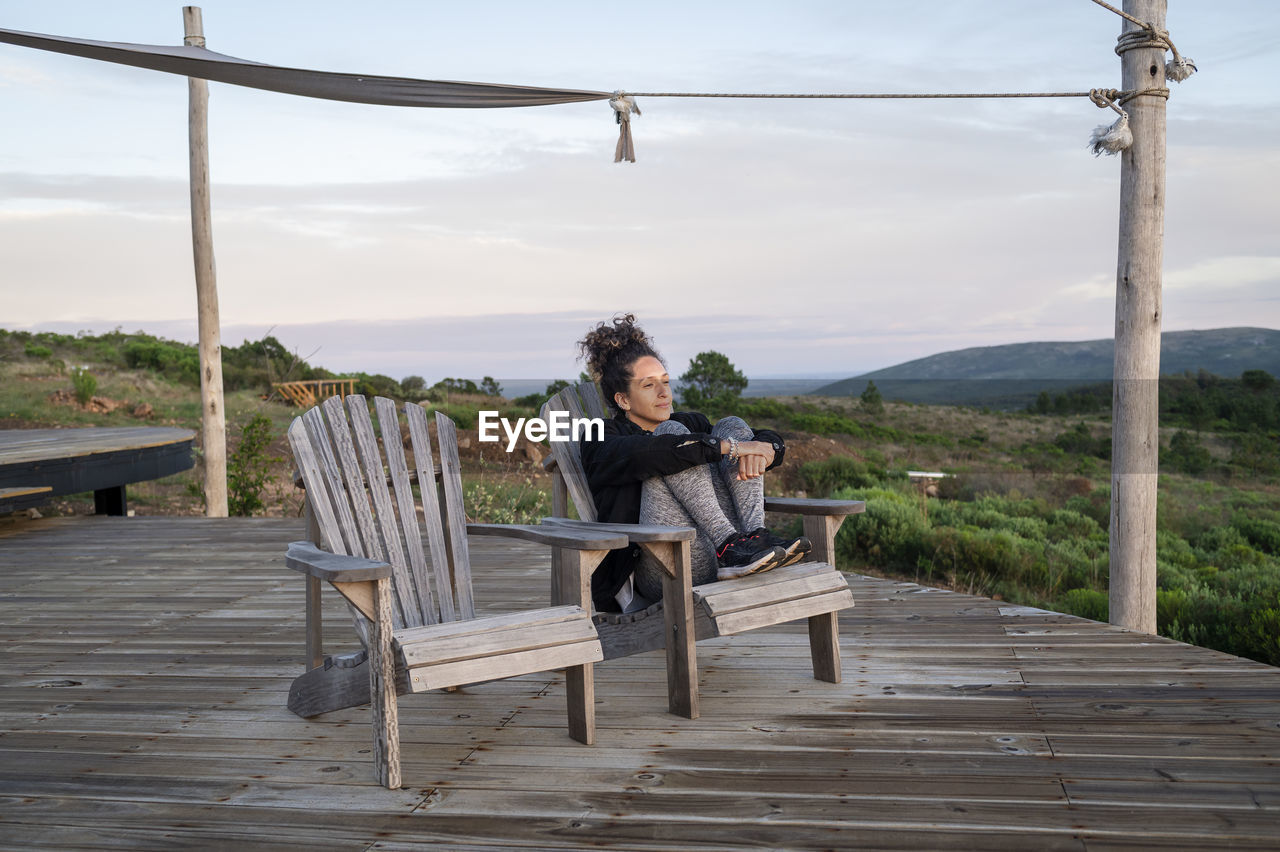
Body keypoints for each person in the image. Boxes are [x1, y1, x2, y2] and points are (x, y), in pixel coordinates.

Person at [577, 314, 810, 613]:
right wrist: (733, 448)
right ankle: (730, 544)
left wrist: (768, 448)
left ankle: (754, 535)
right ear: (623, 400)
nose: (664, 393)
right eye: (649, 385)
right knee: (676, 440)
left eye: (665, 382)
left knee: (731, 424)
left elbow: (753, 438)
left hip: (724, 556)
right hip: (666, 566)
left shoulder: (691, 422)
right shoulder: (602, 437)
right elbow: (657, 452)